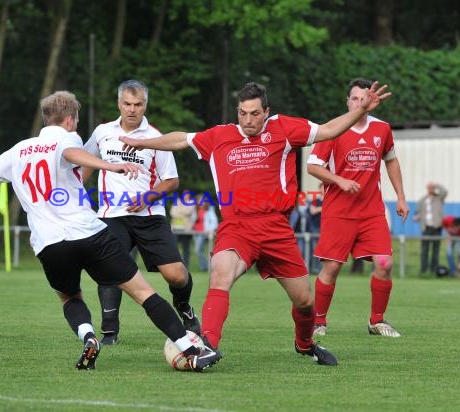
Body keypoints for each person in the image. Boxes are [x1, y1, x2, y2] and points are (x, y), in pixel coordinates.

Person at [119, 80, 391, 366]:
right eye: (242, 113)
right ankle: (206, 345)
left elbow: (327, 130)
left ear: (267, 111)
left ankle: (305, 343)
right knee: (220, 274)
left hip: (276, 228)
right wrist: (142, 142)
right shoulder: (220, 136)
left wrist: (360, 110)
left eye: (255, 114)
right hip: (237, 226)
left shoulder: (284, 129)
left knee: (304, 301)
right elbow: (180, 139)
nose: (248, 120)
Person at [0, 90, 220, 372]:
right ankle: (190, 349)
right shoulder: (68, 138)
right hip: (89, 233)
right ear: (69, 119)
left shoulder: (16, 151)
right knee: (142, 292)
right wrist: (111, 165)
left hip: (49, 244)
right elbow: (70, 153)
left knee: (70, 297)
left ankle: (89, 336)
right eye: (76, 121)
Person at [83, 80, 200, 345]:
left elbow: (171, 181)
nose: (132, 109)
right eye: (127, 103)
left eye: (138, 104)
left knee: (177, 275)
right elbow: (86, 161)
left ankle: (184, 307)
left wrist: (147, 196)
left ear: (145, 105)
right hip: (112, 214)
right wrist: (78, 193)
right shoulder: (103, 132)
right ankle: (109, 331)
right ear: (119, 103)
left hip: (149, 216)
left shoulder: (156, 138)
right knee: (110, 268)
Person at [307, 78, 409, 338]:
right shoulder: (334, 129)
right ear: (347, 101)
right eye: (355, 98)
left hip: (372, 211)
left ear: (371, 101)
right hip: (338, 212)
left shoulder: (383, 129)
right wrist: (339, 180)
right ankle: (318, 322)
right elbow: (313, 166)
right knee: (331, 269)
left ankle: (377, 321)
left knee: (385, 263)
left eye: (364, 98)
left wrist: (400, 197)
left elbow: (392, 161)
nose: (359, 102)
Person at [413, 182, 447, 275]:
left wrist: (436, 185)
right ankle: (423, 270)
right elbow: (417, 213)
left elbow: (444, 191)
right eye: (429, 187)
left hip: (437, 227)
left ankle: (434, 270)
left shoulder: (439, 198)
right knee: (424, 250)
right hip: (426, 228)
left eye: (432, 187)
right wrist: (416, 217)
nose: (430, 189)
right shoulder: (422, 200)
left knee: (435, 250)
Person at [170, 190, 196, 268]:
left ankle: (186, 265)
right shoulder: (177, 201)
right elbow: (172, 212)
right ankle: (175, 264)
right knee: (174, 247)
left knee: (186, 247)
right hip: (176, 228)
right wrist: (182, 213)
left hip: (186, 229)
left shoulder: (192, 202)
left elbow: (188, 211)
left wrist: (179, 211)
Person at [192, 194, 219, 271]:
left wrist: (209, 230)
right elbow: (192, 220)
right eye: (199, 201)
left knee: (199, 250)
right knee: (198, 251)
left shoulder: (209, 210)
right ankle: (205, 266)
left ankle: (205, 266)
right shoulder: (195, 210)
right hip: (196, 232)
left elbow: (214, 222)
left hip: (205, 233)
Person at [305, 183, 323, 274]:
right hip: (315, 229)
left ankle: (320, 269)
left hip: (325, 229)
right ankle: (311, 269)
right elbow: (312, 211)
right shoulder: (315, 201)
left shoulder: (329, 200)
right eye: (322, 188)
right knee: (313, 250)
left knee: (322, 251)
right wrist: (323, 208)